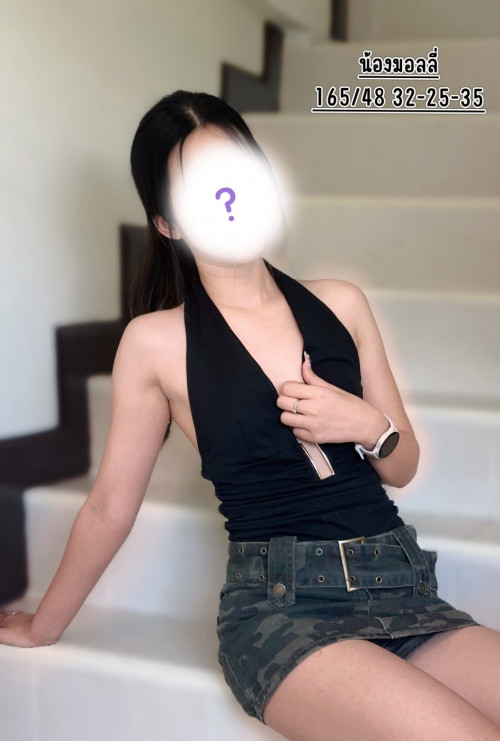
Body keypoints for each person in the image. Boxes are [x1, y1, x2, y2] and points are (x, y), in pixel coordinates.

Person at [1, 90, 499, 741]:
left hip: (400, 585)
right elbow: (108, 508)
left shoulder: (342, 303)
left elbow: (401, 466)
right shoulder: (155, 343)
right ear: (167, 223)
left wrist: (364, 424)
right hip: (283, 611)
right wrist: (42, 625)